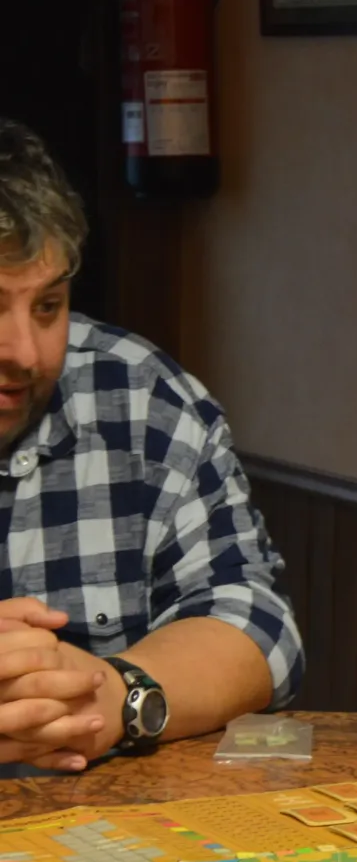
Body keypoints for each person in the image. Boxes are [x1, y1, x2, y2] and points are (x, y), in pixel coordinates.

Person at [0, 119, 303, 774]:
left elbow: (258, 627)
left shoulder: (141, 398)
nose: (23, 353)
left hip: (96, 852)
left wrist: (118, 694)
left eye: (47, 306)